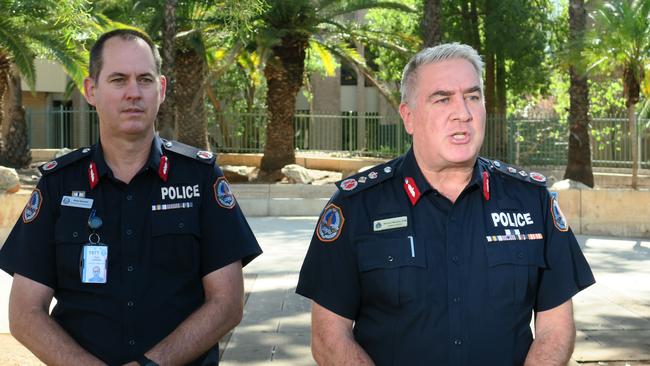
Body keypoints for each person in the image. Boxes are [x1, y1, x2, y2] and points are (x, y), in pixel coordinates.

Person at [296, 43, 595, 365]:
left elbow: (556, 328)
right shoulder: (356, 206)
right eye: (442, 99)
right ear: (408, 117)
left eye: (472, 96)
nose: (463, 113)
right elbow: (329, 337)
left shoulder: (532, 200)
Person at [0, 28, 262, 366]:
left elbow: (227, 303)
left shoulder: (199, 178)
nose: (134, 93)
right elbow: (25, 313)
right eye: (119, 80)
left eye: (145, 80)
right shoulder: (58, 185)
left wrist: (150, 365)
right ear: (91, 90)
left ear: (162, 89)